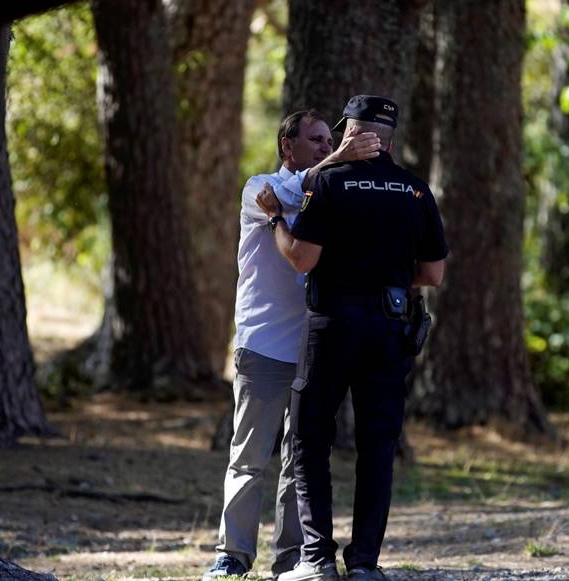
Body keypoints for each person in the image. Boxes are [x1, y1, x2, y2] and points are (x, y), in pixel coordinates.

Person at [256, 95, 448, 581]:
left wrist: (277, 218)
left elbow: (301, 258)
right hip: (390, 329)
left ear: (351, 133)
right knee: (378, 446)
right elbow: (433, 273)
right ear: (389, 137)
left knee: (309, 437)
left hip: (333, 326)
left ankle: (316, 559)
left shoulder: (328, 181)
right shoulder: (415, 190)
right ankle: (364, 563)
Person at [203, 109, 380, 580]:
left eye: (330, 141)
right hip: (263, 346)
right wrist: (340, 159)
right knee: (249, 457)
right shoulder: (259, 189)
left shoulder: (326, 194)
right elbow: (282, 197)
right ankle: (233, 556)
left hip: (314, 349)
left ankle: (292, 559)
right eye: (318, 140)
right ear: (289, 146)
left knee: (297, 463)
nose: (327, 147)